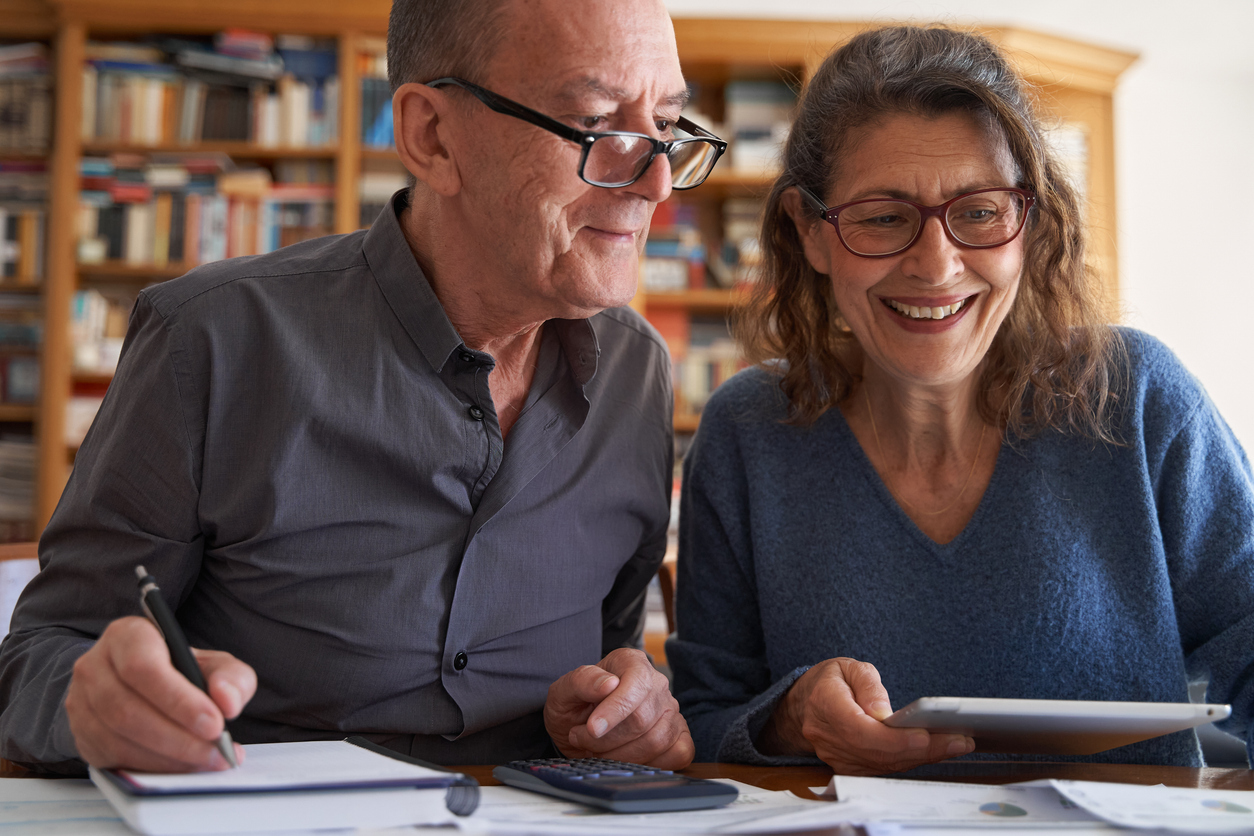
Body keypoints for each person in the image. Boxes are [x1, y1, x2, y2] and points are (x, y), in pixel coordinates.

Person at [0, 0, 727, 774]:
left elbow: (614, 650)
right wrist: (99, 702)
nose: (655, 182)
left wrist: (628, 705)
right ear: (431, 136)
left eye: (666, 127)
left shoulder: (638, 376)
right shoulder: (211, 341)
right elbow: (41, 657)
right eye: (596, 125)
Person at [666, 24, 1254, 774]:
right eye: (883, 217)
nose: (936, 265)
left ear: (1030, 221)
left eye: (979, 212)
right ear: (809, 232)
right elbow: (701, 721)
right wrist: (789, 721)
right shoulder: (749, 430)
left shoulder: (1137, 396)